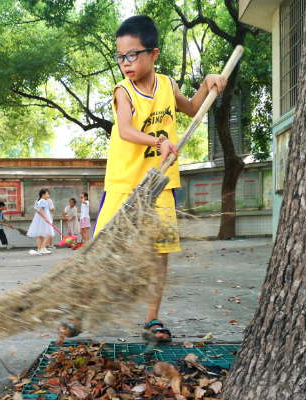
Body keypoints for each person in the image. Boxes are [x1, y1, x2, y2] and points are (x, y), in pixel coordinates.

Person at [60, 15, 227, 342]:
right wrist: (158, 142)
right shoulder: (123, 91)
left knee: (158, 254)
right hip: (124, 185)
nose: (126, 63)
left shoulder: (167, 85)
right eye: (121, 57)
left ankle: (152, 320)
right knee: (101, 252)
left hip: (160, 184)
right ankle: (80, 314)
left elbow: (193, 109)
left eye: (133, 55)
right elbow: (124, 129)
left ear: (154, 54)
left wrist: (208, 83)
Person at [26, 189, 54, 255]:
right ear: (43, 194)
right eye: (47, 194)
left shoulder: (39, 201)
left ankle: (39, 249)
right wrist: (46, 218)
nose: (48, 195)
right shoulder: (43, 201)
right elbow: (41, 210)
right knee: (50, 233)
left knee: (40, 235)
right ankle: (43, 248)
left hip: (40, 220)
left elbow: (38, 210)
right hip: (43, 220)